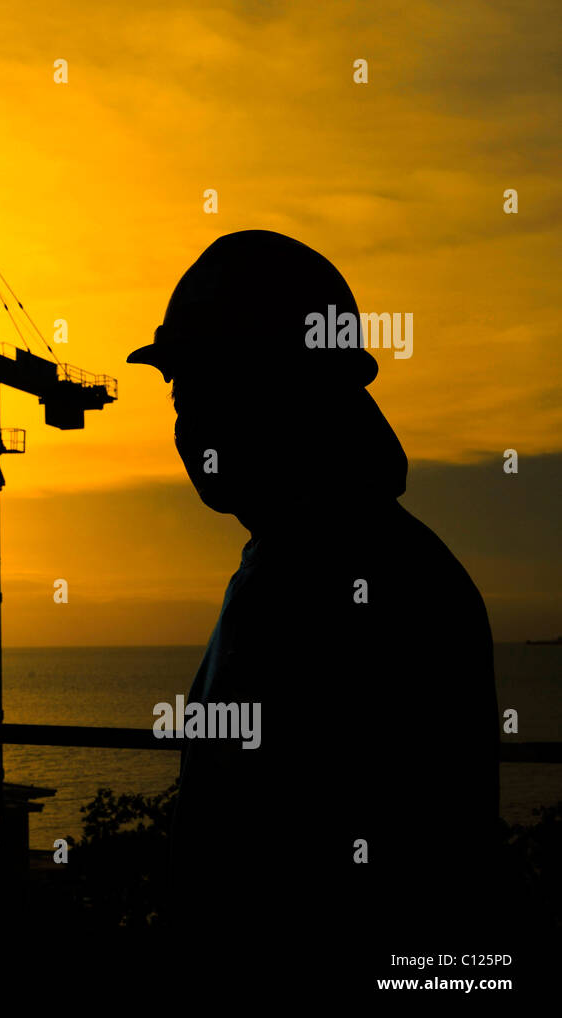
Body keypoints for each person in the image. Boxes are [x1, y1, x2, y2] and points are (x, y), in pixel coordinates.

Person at [126, 231, 501, 973]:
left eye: (201, 387)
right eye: (178, 391)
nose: (185, 421)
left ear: (280, 390)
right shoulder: (325, 555)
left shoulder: (329, 575)